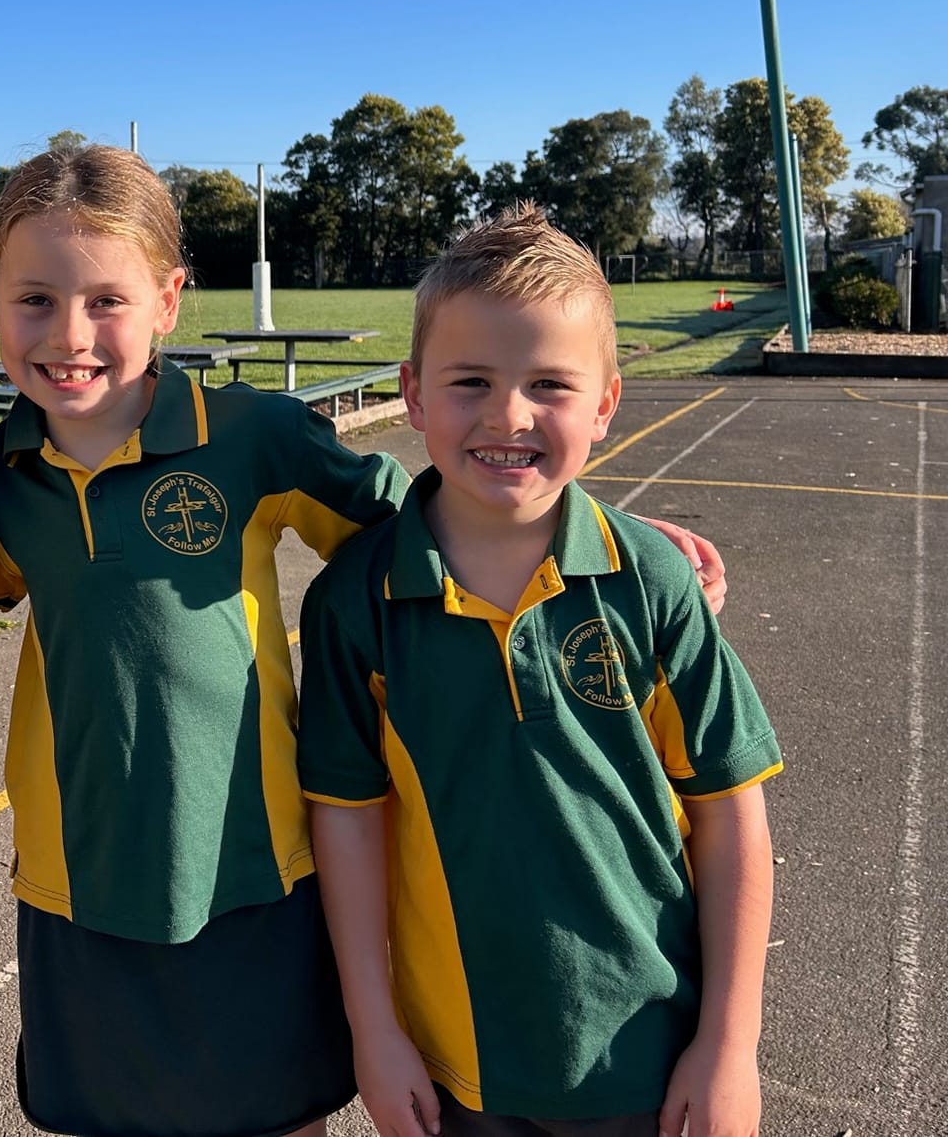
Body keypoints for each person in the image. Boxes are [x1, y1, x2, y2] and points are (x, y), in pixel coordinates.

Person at [299, 202, 781, 1137]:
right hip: (456, 1066)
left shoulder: (651, 581)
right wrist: (375, 1032)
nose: (508, 416)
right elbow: (348, 830)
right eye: (470, 380)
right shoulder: (355, 604)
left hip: (652, 1052)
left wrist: (729, 1049)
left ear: (605, 403)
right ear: (413, 393)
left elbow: (731, 818)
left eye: (550, 385)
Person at [0, 146, 406, 1137]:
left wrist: (615, 546)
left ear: (167, 300)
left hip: (254, 866)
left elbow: (421, 532)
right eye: (32, 299)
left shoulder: (253, 437)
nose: (68, 336)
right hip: (76, 881)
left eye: (104, 302)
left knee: (276, 1115)